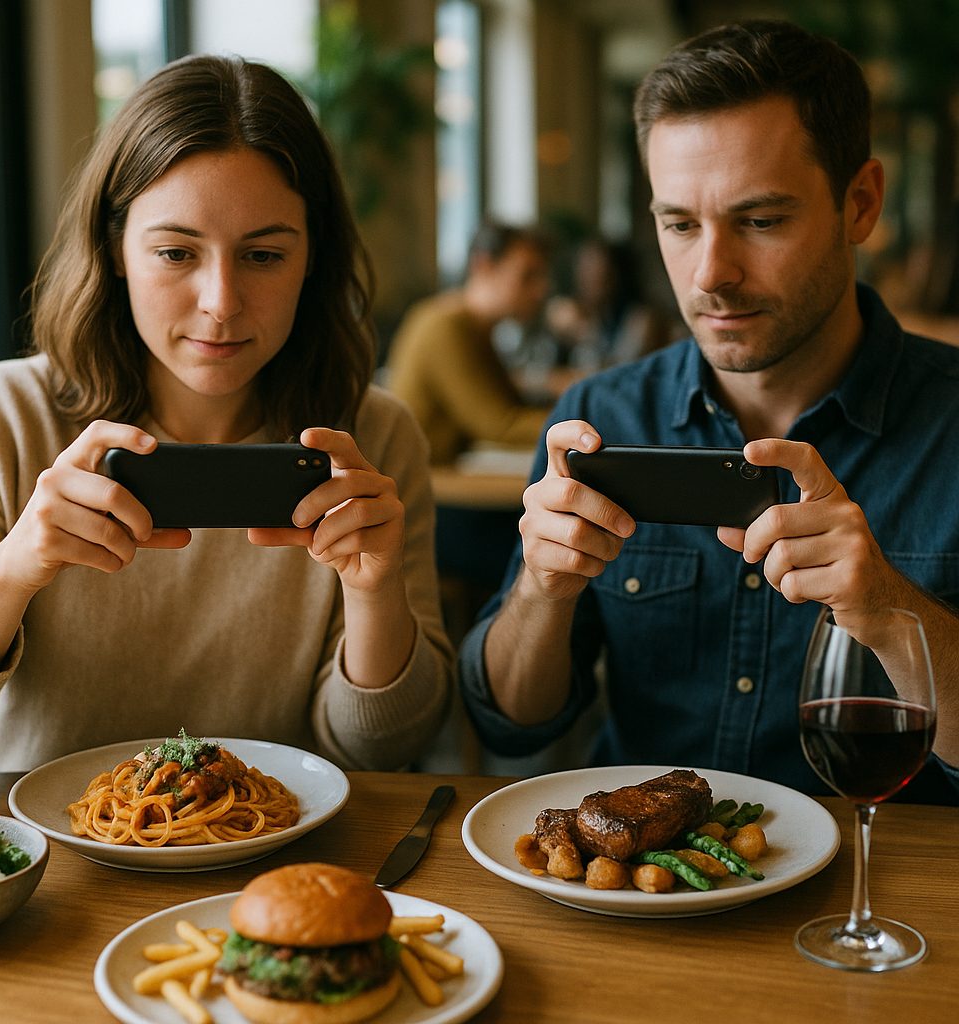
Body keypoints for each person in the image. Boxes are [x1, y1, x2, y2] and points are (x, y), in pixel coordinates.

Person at [458, 20, 959, 802]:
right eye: (680, 224)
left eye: (761, 221)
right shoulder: (601, 416)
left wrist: (893, 613)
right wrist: (539, 593)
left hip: (889, 899)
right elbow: (511, 724)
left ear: (860, 203)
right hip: (644, 890)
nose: (710, 273)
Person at [0, 55, 451, 773]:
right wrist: (16, 567)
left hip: (274, 857)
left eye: (264, 255)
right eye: (177, 251)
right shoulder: (1, 418)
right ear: (115, 248)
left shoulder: (373, 436)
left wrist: (373, 595)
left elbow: (387, 750)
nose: (221, 301)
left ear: (313, 258)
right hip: (49, 869)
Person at [387, 221, 553, 467]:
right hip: (428, 486)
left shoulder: (477, 329)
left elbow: (510, 407)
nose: (541, 290)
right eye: (527, 275)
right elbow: (501, 426)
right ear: (483, 265)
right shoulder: (443, 326)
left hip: (449, 474)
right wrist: (585, 422)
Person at [545, 235, 674, 370]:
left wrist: (587, 334)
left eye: (597, 270)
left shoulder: (641, 319)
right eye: (584, 269)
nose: (588, 278)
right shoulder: (578, 313)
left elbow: (624, 371)